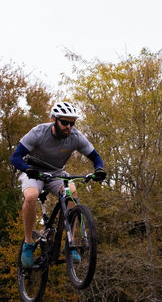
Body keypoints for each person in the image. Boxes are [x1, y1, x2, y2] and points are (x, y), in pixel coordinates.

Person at [10, 101, 106, 267]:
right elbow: (15, 157)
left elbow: (96, 157)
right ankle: (28, 242)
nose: (68, 127)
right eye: (64, 122)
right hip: (33, 170)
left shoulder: (75, 137)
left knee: (72, 192)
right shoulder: (39, 132)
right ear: (54, 119)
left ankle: (71, 243)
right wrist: (27, 169)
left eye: (72, 123)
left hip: (56, 173)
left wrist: (99, 169)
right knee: (31, 196)